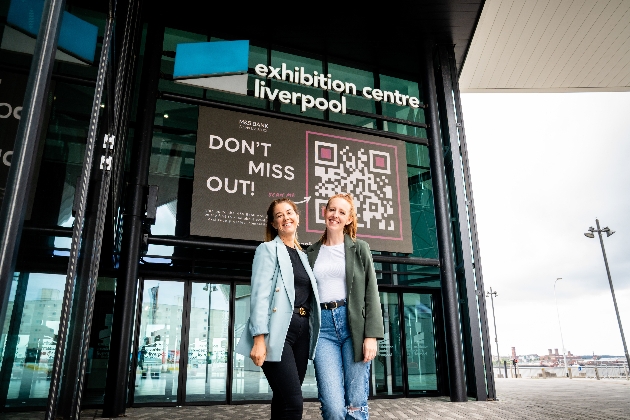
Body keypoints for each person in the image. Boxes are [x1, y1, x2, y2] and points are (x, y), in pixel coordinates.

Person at [236, 198, 321, 419]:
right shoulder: (267, 249)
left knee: (283, 400)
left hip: (302, 332)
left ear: (298, 218)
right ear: (274, 224)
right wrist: (258, 338)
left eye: (290, 212)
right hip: (277, 332)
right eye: (280, 215)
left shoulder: (304, 256)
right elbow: (260, 295)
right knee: (294, 403)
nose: (286, 218)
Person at [306, 193, 384, 420]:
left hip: (354, 328)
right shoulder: (311, 253)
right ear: (324, 212)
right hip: (323, 329)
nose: (335, 215)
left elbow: (372, 291)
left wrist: (371, 336)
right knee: (332, 406)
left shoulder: (360, 248)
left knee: (355, 404)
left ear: (349, 219)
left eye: (342, 212)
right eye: (332, 210)